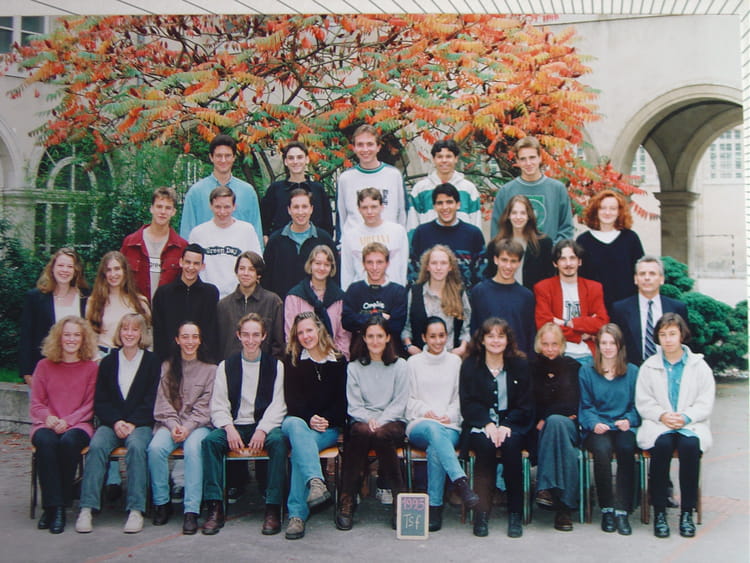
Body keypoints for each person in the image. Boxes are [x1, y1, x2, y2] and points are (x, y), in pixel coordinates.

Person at [201, 313, 288, 536]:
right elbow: (218, 404)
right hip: (235, 425)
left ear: (264, 336)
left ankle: (272, 507)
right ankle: (215, 506)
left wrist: (263, 429)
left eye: (256, 335)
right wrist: (229, 428)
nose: (251, 340)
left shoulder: (275, 366)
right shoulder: (226, 366)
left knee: (278, 442)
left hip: (262, 425)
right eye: (246, 335)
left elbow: (278, 404)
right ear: (238, 335)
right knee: (210, 442)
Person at [75, 314, 160, 534]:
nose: (129, 334)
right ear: (119, 332)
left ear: (141, 334)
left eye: (134, 330)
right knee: (96, 446)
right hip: (112, 423)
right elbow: (101, 400)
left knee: (137, 447)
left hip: (140, 424)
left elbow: (152, 399)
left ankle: (136, 510)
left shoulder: (152, 362)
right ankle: (87, 508)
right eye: (125, 329)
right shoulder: (108, 362)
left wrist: (133, 422)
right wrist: (116, 422)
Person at [635, 313, 715, 539]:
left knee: (690, 446)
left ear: (682, 335)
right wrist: (661, 415)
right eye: (663, 335)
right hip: (660, 424)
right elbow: (643, 400)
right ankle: (660, 513)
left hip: (690, 423)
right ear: (657, 338)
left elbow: (705, 401)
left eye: (672, 334)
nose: (668, 339)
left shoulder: (699, 366)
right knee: (661, 446)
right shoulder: (649, 366)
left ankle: (687, 513)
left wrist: (687, 417)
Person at [459, 318, 532, 538]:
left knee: (512, 447)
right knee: (485, 447)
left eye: (501, 336)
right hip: (480, 423)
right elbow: (467, 403)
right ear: (482, 340)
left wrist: (507, 424)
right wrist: (487, 423)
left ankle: (515, 514)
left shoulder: (520, 364)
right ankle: (481, 514)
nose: (496, 341)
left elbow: (526, 404)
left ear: (508, 340)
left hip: (512, 423)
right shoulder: (470, 365)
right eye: (490, 336)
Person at [406, 317, 479, 532]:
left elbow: (460, 397)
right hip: (420, 424)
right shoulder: (413, 363)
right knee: (433, 429)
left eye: (441, 336)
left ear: (447, 336)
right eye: (432, 336)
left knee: (436, 446)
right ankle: (461, 482)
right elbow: (407, 399)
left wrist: (448, 415)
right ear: (423, 337)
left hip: (449, 425)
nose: (438, 341)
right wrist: (424, 411)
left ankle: (435, 507)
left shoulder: (455, 362)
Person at [335, 315, 408, 531]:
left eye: (379, 336)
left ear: (388, 338)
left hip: (392, 421)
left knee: (380, 434)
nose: (375, 341)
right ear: (364, 338)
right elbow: (354, 406)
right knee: (360, 432)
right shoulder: (354, 367)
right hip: (363, 420)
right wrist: (370, 420)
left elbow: (400, 402)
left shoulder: (400, 365)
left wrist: (380, 421)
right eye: (370, 336)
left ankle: (399, 500)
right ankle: (347, 499)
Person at [282, 312, 348, 540]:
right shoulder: (292, 359)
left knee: (301, 449)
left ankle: (296, 516)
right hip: (297, 422)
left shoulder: (338, 361)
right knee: (297, 427)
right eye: (300, 332)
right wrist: (309, 418)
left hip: (326, 428)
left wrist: (326, 419)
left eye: (309, 330)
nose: (305, 336)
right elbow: (291, 400)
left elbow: (342, 403)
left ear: (319, 329)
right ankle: (316, 482)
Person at [29, 316, 98, 534]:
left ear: (83, 339)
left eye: (77, 335)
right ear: (59, 337)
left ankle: (56, 506)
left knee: (69, 442)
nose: (71, 339)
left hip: (78, 424)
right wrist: (48, 418)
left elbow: (90, 405)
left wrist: (68, 421)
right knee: (46, 442)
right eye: (67, 334)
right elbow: (36, 402)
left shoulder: (91, 368)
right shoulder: (44, 366)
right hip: (47, 423)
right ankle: (54, 507)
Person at [148, 321, 215, 535]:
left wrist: (187, 427)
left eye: (194, 337)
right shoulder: (167, 367)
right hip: (170, 424)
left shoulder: (210, 370)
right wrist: (173, 425)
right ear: (177, 340)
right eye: (185, 337)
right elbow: (163, 402)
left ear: (200, 340)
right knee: (155, 449)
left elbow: (205, 408)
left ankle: (191, 510)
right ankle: (161, 503)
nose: (190, 341)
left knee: (194, 449)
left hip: (198, 426)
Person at [578, 324, 640, 536]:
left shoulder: (632, 372)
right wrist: (594, 423)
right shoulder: (587, 371)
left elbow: (638, 406)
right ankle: (606, 508)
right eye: (603, 343)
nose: (607, 347)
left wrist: (629, 420)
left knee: (626, 448)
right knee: (602, 451)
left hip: (623, 426)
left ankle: (622, 510)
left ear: (619, 345)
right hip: (598, 427)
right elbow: (585, 406)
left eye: (612, 343)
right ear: (597, 346)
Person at [531, 322, 582, 532]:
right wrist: (545, 417)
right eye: (546, 344)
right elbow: (528, 402)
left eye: (554, 344)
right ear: (539, 344)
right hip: (537, 429)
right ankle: (565, 506)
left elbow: (573, 402)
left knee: (555, 423)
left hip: (568, 426)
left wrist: (547, 415)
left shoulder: (572, 367)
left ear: (562, 345)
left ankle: (546, 487)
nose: (550, 349)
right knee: (555, 427)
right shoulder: (531, 368)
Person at [19, 248, 89, 385]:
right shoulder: (35, 298)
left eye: (70, 266)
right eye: (60, 265)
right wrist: (27, 373)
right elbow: (26, 337)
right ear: (52, 268)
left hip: (78, 370)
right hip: (44, 370)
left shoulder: (85, 296)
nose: (65, 270)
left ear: (76, 270)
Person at [180, 134, 263, 246]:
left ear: (234, 157)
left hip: (240, 255)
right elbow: (187, 233)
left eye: (227, 156)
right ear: (211, 157)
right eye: (219, 156)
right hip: (205, 254)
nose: (223, 160)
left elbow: (256, 232)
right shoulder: (196, 192)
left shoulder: (247, 192)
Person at [534, 239, 609, 360]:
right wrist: (580, 335)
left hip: (588, 355)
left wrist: (569, 323)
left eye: (572, 258)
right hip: (557, 355)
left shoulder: (594, 288)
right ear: (555, 263)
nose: (568, 263)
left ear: (579, 261)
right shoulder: (543, 288)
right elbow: (544, 325)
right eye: (563, 259)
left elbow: (602, 323)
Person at [490, 136, 573, 242]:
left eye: (532, 157)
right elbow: (497, 232)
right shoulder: (505, 192)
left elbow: (566, 229)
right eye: (523, 159)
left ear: (540, 158)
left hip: (550, 251)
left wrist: (552, 249)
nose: (528, 163)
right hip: (515, 252)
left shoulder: (558, 189)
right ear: (517, 161)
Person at [611, 255, 688, 367]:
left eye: (652, 273)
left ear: (661, 279)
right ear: (635, 279)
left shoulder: (677, 308)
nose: (647, 278)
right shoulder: (620, 309)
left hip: (668, 368)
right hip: (632, 370)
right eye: (642, 274)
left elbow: (684, 342)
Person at [577, 189, 645, 312]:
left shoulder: (631, 238)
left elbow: (640, 272)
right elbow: (580, 278)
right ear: (595, 211)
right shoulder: (583, 241)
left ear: (619, 212)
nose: (607, 212)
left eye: (613, 208)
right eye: (602, 208)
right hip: (594, 307)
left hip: (626, 307)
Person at [262, 188, 337, 299]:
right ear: (289, 210)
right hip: (282, 304)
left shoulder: (324, 239)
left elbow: (334, 276)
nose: (300, 212)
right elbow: (266, 279)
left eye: (304, 207)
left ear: (311, 209)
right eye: (296, 207)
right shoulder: (275, 241)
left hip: (316, 305)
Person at [189, 185, 262, 299]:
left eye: (227, 207)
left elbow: (257, 266)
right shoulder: (198, 233)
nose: (222, 212)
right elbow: (191, 267)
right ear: (210, 206)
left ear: (234, 207)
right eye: (218, 207)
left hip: (238, 297)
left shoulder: (247, 231)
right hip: (205, 297)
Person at [409, 182, 485, 289]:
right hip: (429, 296)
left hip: (464, 296)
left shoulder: (473, 234)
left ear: (458, 205)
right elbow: (413, 270)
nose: (445, 207)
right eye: (440, 203)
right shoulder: (422, 233)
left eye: (449, 202)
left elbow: (481, 273)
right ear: (434, 206)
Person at [152, 243, 219, 362]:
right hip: (169, 361)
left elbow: (212, 331)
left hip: (201, 361)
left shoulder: (210, 293)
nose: (191, 267)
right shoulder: (163, 293)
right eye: (188, 262)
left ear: (202, 266)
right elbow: (158, 332)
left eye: (196, 263)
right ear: (180, 262)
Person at [336, 124, 407, 236]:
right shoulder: (345, 179)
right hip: (357, 242)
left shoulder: (394, 175)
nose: (365, 149)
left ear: (378, 147)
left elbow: (403, 213)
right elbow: (341, 217)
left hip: (388, 240)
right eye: (360, 145)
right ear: (353, 148)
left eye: (370, 144)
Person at [120, 186, 188, 302]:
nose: (163, 212)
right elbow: (121, 279)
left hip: (167, 310)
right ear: (151, 208)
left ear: (173, 212)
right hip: (135, 309)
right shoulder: (130, 243)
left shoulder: (181, 247)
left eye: (168, 208)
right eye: (159, 206)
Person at [470, 239, 535, 357]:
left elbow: (529, 333)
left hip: (517, 359)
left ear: (519, 263)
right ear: (496, 260)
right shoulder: (480, 291)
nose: (508, 266)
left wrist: (528, 361)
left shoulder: (526, 296)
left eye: (513, 261)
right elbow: (474, 329)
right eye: (504, 260)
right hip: (486, 359)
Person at [402, 245, 470, 357]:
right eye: (434, 263)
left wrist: (462, 348)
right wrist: (409, 346)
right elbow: (406, 326)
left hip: (450, 357)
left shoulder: (459, 293)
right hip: (422, 357)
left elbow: (466, 328)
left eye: (443, 263)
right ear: (427, 267)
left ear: (450, 267)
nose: (438, 268)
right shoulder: (415, 292)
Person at [285, 245, 351, 359]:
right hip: (302, 359)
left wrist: (337, 358)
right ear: (310, 265)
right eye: (317, 263)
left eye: (327, 264)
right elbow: (290, 335)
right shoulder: (294, 297)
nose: (322, 268)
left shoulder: (340, 299)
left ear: (332, 268)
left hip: (333, 358)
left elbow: (343, 336)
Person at [217, 251, 284, 361]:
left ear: (259, 274)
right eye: (242, 268)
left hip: (263, 366)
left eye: (251, 269)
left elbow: (278, 344)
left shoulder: (273, 302)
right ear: (236, 272)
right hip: (231, 366)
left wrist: (271, 366)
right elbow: (218, 343)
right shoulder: (223, 305)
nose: (246, 273)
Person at [407, 139, 483, 235]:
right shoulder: (420, 189)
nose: (444, 160)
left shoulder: (468, 189)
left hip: (461, 243)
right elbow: (412, 225)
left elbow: (476, 224)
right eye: (440, 157)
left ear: (456, 159)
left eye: (448, 156)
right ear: (433, 159)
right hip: (430, 243)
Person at [260, 141, 334, 240]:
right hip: (282, 245)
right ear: (285, 161)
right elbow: (264, 222)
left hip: (314, 246)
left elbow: (328, 224)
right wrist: (266, 239)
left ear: (307, 159)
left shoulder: (318, 190)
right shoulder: (275, 189)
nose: (295, 161)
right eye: (291, 158)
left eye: (299, 157)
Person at [86, 251, 151, 358]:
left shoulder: (140, 302)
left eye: (117, 269)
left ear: (125, 271)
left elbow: (148, 334)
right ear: (103, 274)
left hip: (132, 358)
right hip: (102, 357)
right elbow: (89, 336)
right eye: (108, 270)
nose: (113, 274)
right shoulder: (93, 302)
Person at [340, 187, 408, 289]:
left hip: (392, 293)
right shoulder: (350, 236)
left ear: (382, 207)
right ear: (359, 209)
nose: (369, 211)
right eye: (364, 207)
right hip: (361, 294)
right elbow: (347, 272)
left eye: (374, 207)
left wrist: (401, 292)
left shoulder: (398, 231)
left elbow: (402, 268)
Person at [342, 242, 408, 346]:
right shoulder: (354, 289)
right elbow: (347, 322)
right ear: (363, 264)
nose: (374, 267)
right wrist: (380, 316)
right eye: (370, 262)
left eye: (379, 262)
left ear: (387, 263)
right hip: (360, 350)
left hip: (390, 351)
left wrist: (361, 322)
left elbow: (396, 326)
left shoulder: (398, 291)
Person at [485, 194, 553, 290]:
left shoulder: (544, 243)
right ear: (508, 215)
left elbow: (549, 276)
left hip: (534, 296)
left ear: (529, 216)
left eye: (523, 213)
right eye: (514, 213)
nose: (518, 217)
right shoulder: (495, 245)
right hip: (503, 294)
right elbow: (490, 276)